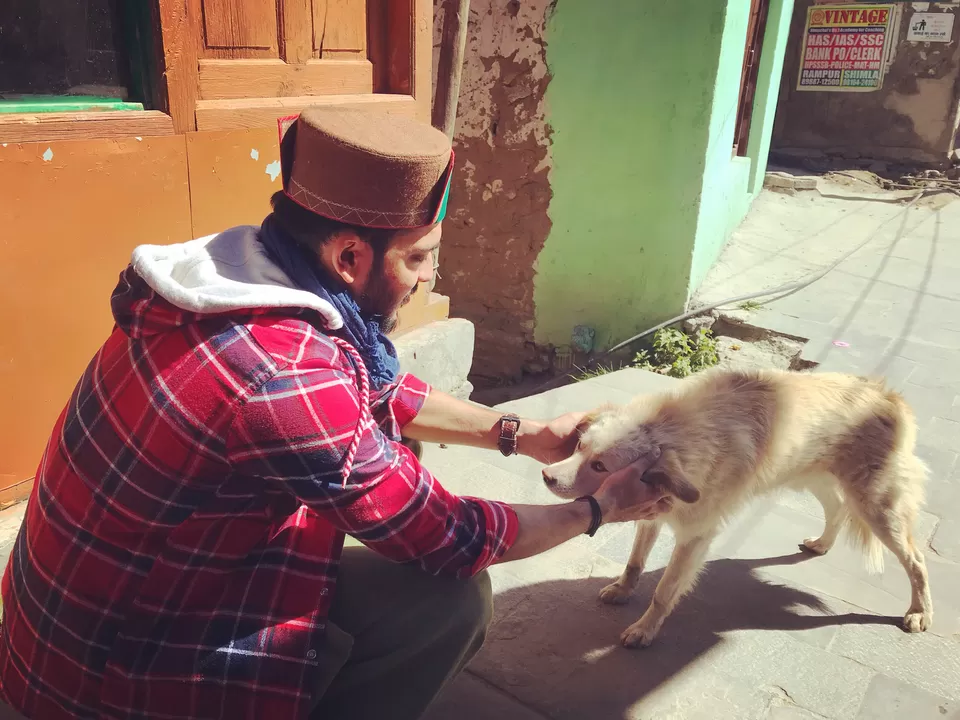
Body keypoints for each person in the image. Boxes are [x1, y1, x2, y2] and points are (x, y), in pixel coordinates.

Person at [0, 109, 670, 720]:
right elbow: (447, 535)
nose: (427, 277)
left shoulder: (249, 276)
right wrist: (597, 510)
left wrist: (517, 435)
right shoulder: (279, 374)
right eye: (417, 256)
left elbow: (374, 388)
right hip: (99, 684)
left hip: (73, 627)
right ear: (349, 256)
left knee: (378, 496)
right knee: (448, 603)